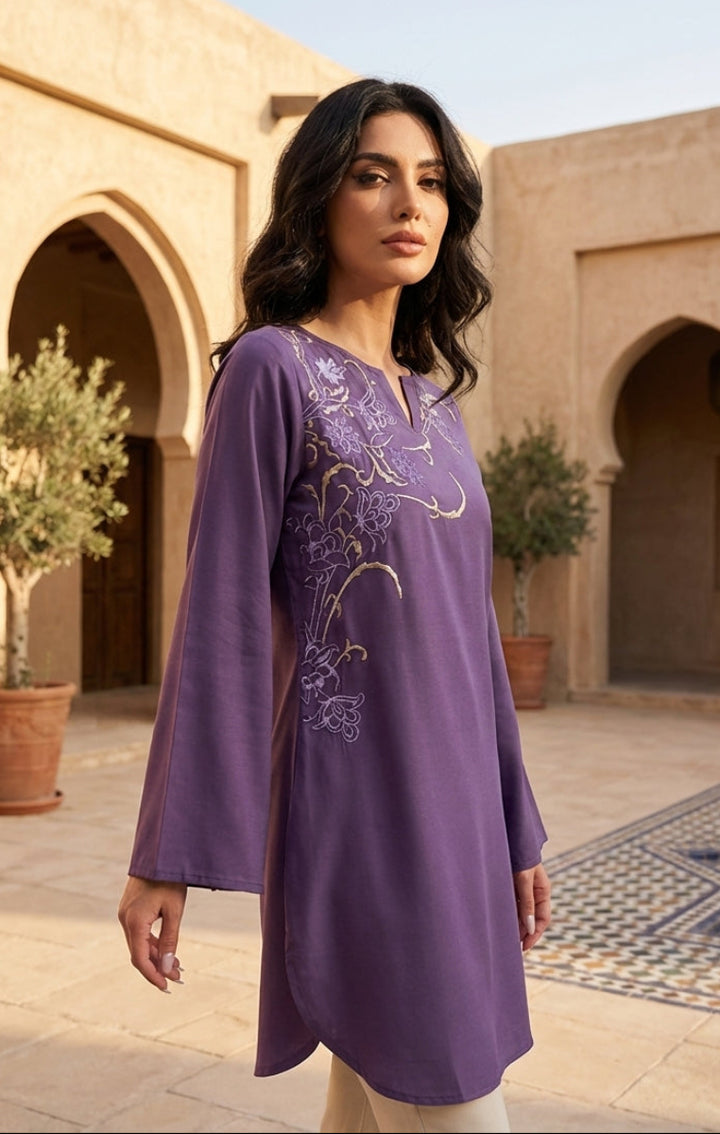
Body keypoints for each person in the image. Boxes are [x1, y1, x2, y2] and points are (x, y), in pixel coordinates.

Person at [118, 77, 551, 1134]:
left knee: (371, 1106)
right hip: (359, 813)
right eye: (375, 176)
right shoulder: (273, 371)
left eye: (432, 183)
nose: (411, 204)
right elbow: (218, 613)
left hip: (455, 822)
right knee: (451, 1096)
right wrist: (166, 853)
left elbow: (472, 642)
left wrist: (516, 827)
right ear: (320, 195)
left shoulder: (436, 408)